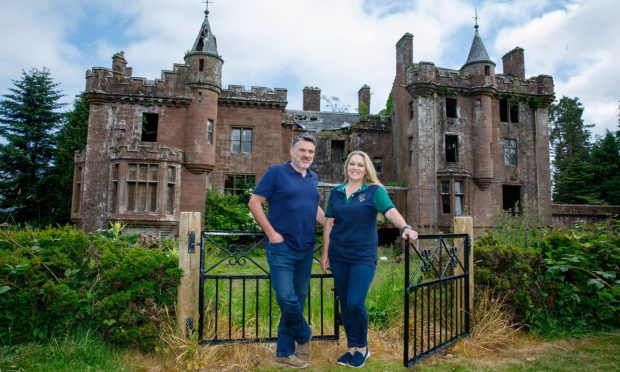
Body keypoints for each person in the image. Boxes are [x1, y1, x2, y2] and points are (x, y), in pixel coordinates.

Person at [320, 150, 418, 368]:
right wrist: (325, 253)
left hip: (363, 256)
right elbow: (328, 223)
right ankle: (352, 348)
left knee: (355, 302)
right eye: (352, 164)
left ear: (366, 170)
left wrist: (405, 227)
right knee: (344, 303)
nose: (355, 168)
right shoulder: (335, 192)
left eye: (360, 165)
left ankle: (363, 348)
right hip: (338, 255)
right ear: (346, 166)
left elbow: (390, 211)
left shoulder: (375, 191)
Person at [249, 134, 325, 369]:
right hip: (282, 248)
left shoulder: (313, 178)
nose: (307, 155)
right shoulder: (276, 172)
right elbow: (254, 202)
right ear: (292, 151)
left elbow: (315, 210)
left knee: (296, 300)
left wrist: (335, 222)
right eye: (302, 150)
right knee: (285, 297)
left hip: (306, 248)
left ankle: (283, 352)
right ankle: (303, 333)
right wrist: (272, 234)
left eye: (311, 152)